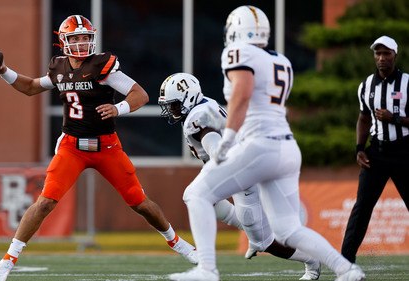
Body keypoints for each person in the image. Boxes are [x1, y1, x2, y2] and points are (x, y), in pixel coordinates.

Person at [0, 15, 197, 281]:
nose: (81, 42)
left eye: (85, 37)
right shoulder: (59, 67)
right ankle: (8, 259)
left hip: (106, 147)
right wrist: (3, 70)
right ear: (63, 41)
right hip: (71, 147)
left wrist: (118, 108)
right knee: (44, 202)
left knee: (140, 203)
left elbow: (140, 94)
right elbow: (30, 87)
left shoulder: (102, 66)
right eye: (75, 38)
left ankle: (177, 242)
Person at [168, 6, 365, 281]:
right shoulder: (281, 60)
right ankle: (347, 269)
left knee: (196, 194)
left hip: (258, 145)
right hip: (286, 148)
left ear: (236, 30)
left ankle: (207, 269)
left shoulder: (238, 53)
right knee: (288, 231)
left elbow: (242, 94)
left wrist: (229, 138)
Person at [158, 72, 321, 280]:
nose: (171, 110)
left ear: (188, 98)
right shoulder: (204, 104)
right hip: (238, 168)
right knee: (196, 196)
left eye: (173, 105)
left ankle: (312, 260)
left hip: (239, 174)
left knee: (264, 242)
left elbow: (218, 151)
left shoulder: (197, 119)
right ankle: (251, 226)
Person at [341, 35, 409, 263]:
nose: (381, 58)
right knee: (361, 208)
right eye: (377, 53)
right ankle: (346, 262)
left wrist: (395, 119)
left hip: (404, 152)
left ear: (395, 55)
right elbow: (363, 118)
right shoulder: (366, 85)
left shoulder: (407, 83)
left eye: (386, 53)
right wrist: (359, 147)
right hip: (377, 153)